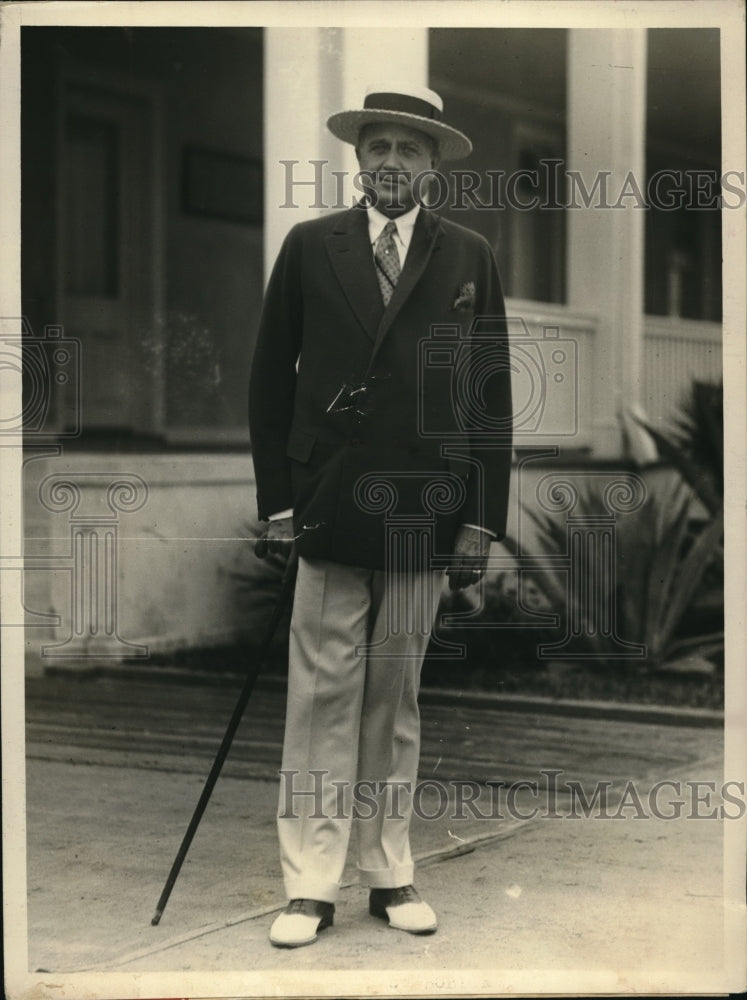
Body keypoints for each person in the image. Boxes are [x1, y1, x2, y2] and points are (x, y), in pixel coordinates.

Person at [249, 83, 513, 948]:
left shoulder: (468, 254)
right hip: (328, 501)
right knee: (321, 694)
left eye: (409, 148)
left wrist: (479, 517)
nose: (391, 162)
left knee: (393, 699)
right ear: (358, 159)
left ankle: (389, 872)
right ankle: (309, 884)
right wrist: (280, 500)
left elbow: (489, 397)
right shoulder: (308, 245)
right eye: (378, 147)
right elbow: (268, 381)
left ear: (433, 164)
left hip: (424, 508)